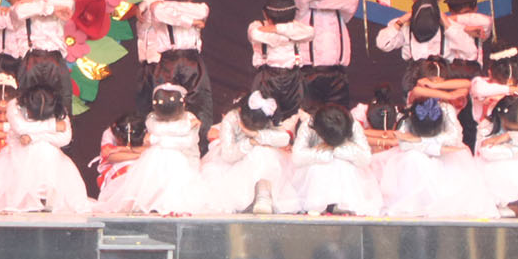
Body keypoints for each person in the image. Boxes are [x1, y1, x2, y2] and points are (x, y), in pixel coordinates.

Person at [0, 83, 91, 214]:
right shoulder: (14, 105)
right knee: (36, 149)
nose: (39, 119)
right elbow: (21, 128)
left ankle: (45, 198)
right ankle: (26, 198)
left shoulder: (60, 111)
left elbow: (64, 139)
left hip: (46, 152)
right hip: (18, 153)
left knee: (46, 148)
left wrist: (33, 137)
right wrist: (53, 126)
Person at [100, 83, 214, 215]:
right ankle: (153, 202)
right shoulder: (153, 119)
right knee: (155, 172)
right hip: (159, 155)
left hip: (184, 157)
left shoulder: (189, 118)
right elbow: (155, 134)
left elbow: (186, 142)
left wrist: (158, 140)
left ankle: (167, 204)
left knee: (174, 174)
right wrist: (184, 127)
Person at [375, 97, 491, 219]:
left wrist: (420, 139)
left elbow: (453, 139)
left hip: (448, 154)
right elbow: (404, 144)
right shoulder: (409, 115)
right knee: (412, 158)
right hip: (419, 152)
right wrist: (432, 148)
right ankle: (417, 203)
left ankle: (437, 202)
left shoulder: (447, 110)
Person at [130, 0, 211, 134]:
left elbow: (202, 10)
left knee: (199, 103)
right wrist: (191, 22)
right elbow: (160, 11)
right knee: (165, 104)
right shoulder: (157, 7)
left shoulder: (199, 8)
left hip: (192, 60)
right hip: (169, 61)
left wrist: (177, 8)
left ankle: (199, 141)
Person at [203, 84, 295, 215]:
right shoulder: (231, 118)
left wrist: (256, 135)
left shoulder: (267, 117)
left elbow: (284, 138)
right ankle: (252, 197)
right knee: (258, 152)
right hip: (234, 162)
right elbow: (228, 155)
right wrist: (250, 142)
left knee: (263, 153)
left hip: (264, 162)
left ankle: (263, 193)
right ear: (241, 111)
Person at [288, 104, 380, 216]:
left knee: (342, 164)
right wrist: (322, 153)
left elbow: (365, 158)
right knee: (320, 167)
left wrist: (337, 148)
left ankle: (341, 204)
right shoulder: (308, 126)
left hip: (348, 171)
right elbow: (297, 157)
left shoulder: (353, 125)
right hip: (313, 170)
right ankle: (319, 203)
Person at [293, 0, 360, 109]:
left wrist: (318, 2)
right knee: (309, 116)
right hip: (310, 73)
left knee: (338, 115)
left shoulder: (340, 11)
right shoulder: (302, 7)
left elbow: (353, 0)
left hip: (337, 74)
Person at [373, 0, 448, 93]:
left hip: (441, 75)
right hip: (414, 76)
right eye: (421, 1)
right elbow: (383, 44)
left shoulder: (448, 25)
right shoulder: (405, 25)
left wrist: (447, 23)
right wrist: (402, 20)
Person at [10, 0, 77, 100]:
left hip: (56, 61)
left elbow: (69, 2)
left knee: (63, 102)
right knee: (27, 104)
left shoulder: (64, 3)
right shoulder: (22, 8)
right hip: (31, 61)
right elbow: (19, 12)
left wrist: (41, 2)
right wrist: (51, 9)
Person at [246, 0, 314, 119]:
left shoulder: (295, 27)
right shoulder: (257, 25)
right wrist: (289, 36)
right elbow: (256, 35)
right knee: (263, 116)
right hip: (266, 78)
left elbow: (310, 32)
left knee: (295, 117)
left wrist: (277, 28)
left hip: (293, 78)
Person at [93, 113, 146, 210]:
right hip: (118, 169)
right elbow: (109, 155)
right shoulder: (109, 133)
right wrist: (140, 155)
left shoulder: (148, 134)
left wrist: (125, 149)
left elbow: (153, 149)